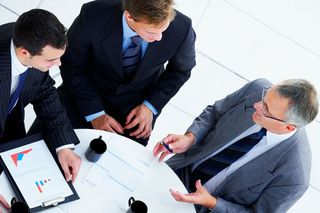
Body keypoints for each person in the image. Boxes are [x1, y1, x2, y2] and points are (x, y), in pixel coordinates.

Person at [153, 78, 319, 212]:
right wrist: (190, 138)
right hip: (179, 170)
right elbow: (214, 112)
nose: (257, 105)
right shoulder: (257, 88)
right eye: (264, 97)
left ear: (288, 127)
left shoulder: (295, 177)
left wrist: (212, 203)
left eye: (266, 109)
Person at [56, 0, 196, 146]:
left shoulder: (182, 28)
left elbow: (181, 70)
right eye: (151, 32)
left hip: (136, 110)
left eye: (163, 30)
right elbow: (70, 64)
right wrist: (95, 113)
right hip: (83, 93)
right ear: (129, 16)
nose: (159, 37)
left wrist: (150, 106)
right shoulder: (94, 14)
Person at [0, 9, 81, 211]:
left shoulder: (25, 40)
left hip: (9, 128)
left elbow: (45, 91)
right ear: (24, 52)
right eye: (50, 60)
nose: (58, 64)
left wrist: (64, 146)